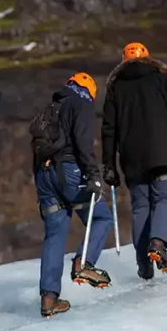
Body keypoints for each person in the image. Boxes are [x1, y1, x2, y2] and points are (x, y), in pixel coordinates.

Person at [102, 42, 167, 278]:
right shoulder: (163, 79)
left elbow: (109, 129)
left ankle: (144, 264)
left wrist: (109, 166)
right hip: (163, 152)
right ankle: (157, 243)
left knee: (141, 207)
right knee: (163, 199)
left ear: (123, 61)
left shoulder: (116, 88)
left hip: (132, 157)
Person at [32, 73, 114, 317]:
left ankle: (49, 298)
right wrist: (93, 175)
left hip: (43, 175)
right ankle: (83, 263)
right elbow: (83, 142)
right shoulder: (81, 104)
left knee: (54, 235)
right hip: (69, 171)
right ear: (88, 90)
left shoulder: (49, 109)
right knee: (101, 217)